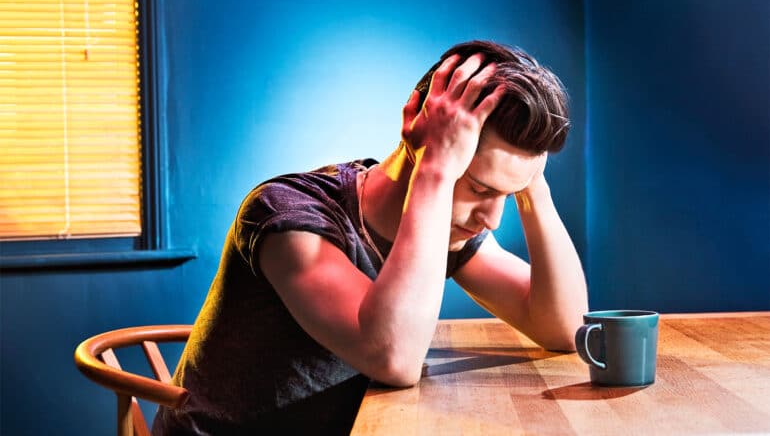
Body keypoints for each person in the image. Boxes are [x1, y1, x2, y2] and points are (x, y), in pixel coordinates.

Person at [152, 40, 588, 435]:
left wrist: (532, 186)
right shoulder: (288, 217)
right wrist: (436, 169)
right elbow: (394, 359)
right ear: (418, 134)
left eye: (506, 197)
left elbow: (564, 328)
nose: (492, 219)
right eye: (478, 187)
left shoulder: (449, 232)